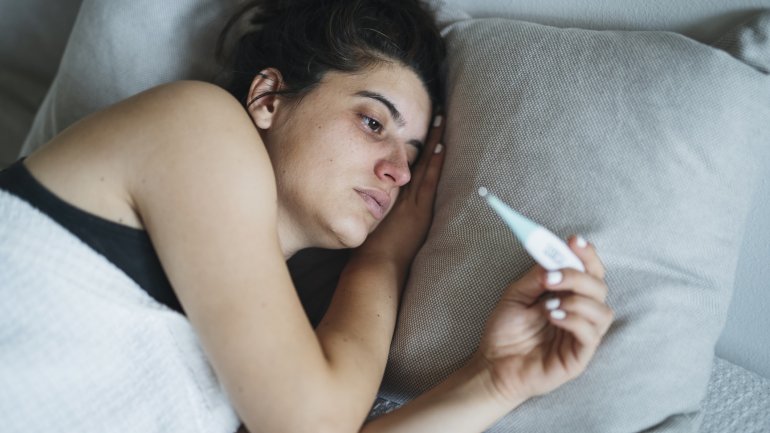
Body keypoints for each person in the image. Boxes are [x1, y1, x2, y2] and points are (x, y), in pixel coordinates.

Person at [0, 0, 613, 432]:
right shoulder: (197, 125)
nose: (399, 171)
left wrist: (497, 379)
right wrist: (382, 259)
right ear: (267, 98)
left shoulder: (271, 348)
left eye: (413, 155)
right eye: (373, 122)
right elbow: (313, 424)